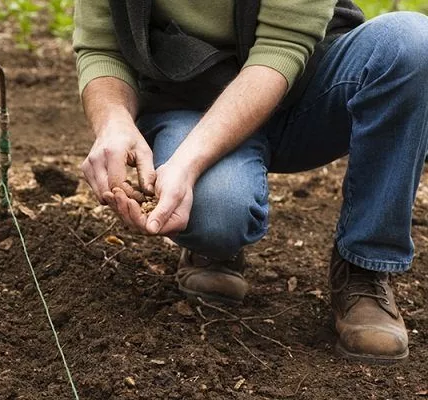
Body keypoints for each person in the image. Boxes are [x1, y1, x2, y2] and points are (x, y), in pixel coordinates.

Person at [72, 0, 428, 363]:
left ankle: (364, 267)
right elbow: (101, 45)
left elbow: (282, 47)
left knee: (412, 43)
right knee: (216, 215)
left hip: (307, 85)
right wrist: (113, 121)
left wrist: (187, 163)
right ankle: (214, 249)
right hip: (190, 95)